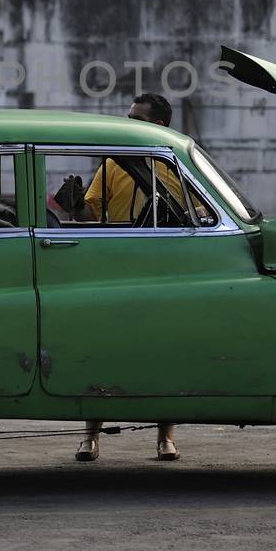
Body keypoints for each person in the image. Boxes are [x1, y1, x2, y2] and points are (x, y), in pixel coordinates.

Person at [55, 92, 183, 463]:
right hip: (114, 268)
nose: (126, 125)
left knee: (164, 354)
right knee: (100, 351)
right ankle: (90, 437)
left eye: (136, 119)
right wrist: (75, 204)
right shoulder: (113, 163)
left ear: (158, 126)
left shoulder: (175, 167)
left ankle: (166, 438)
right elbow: (89, 216)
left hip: (163, 271)